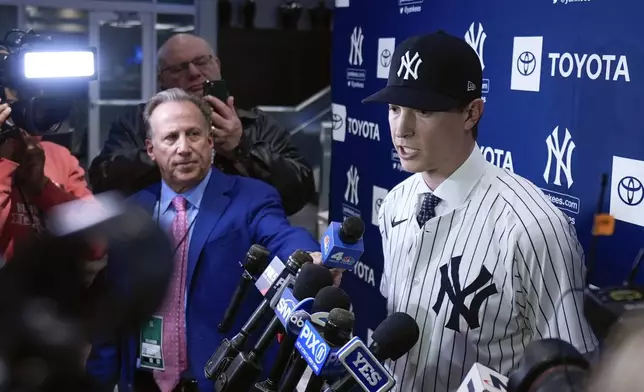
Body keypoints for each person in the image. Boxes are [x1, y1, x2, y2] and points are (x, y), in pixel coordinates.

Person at [363, 31, 597, 392]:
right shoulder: (395, 201)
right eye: (395, 109)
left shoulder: (533, 227)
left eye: (423, 111)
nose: (401, 129)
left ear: (472, 113)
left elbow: (570, 372)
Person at [86, 88, 338, 392]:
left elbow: (282, 236)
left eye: (193, 134)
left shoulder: (251, 198)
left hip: (222, 381)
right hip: (143, 381)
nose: (184, 148)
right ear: (151, 149)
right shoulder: (132, 211)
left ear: (210, 141)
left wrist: (308, 258)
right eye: (171, 137)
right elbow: (114, 311)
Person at [89, 33, 315, 216]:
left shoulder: (257, 123)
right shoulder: (136, 122)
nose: (194, 73)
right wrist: (161, 153)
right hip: (157, 242)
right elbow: (103, 184)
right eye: (178, 68)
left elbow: (299, 192)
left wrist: (241, 147)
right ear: (162, 80)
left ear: (216, 64)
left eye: (201, 62)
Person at [0, 94, 103, 262]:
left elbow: (98, 243)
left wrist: (43, 186)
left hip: (55, 284)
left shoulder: (58, 157)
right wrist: (4, 166)